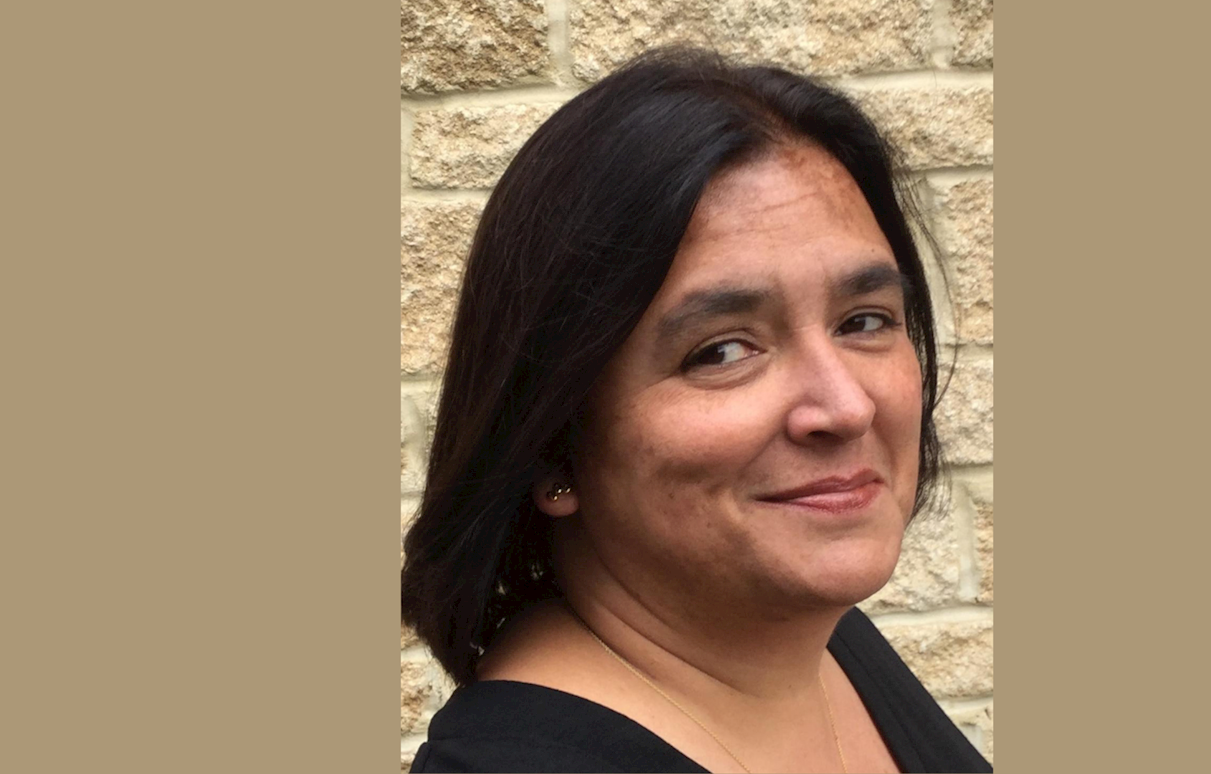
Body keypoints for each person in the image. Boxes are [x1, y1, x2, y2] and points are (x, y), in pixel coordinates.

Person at [401, 47, 991, 773]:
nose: (845, 406)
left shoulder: (814, 641)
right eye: (720, 352)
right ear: (551, 446)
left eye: (863, 321)